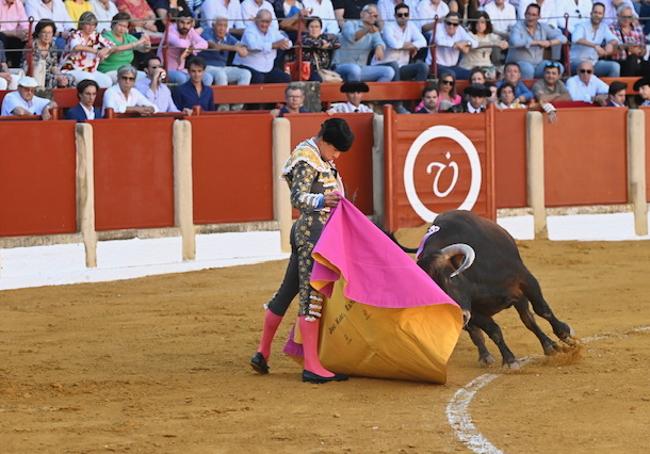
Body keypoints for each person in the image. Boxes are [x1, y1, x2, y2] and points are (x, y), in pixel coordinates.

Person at [250, 117, 354, 384]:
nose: (337, 156)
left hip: (314, 234)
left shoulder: (321, 157)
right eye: (336, 150)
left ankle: (262, 352)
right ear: (325, 141)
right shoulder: (307, 157)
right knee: (312, 296)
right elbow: (297, 198)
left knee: (287, 292)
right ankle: (311, 366)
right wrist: (322, 199)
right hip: (312, 235)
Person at [332, 4, 394, 82]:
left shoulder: (374, 31)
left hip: (361, 68)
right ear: (361, 14)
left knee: (389, 72)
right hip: (340, 66)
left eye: (375, 15)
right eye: (369, 12)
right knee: (355, 69)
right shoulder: (350, 24)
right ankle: (353, 92)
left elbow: (380, 42)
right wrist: (367, 29)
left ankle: (372, 94)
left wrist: (379, 47)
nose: (372, 16)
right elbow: (352, 38)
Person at [507, 3, 567, 79]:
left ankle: (547, 89)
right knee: (528, 69)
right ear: (525, 15)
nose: (530, 17)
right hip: (518, 63)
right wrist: (537, 42)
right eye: (528, 14)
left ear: (539, 17)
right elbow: (515, 42)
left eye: (534, 15)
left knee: (558, 67)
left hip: (538, 65)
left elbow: (563, 38)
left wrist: (549, 43)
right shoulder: (517, 26)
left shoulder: (543, 27)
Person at [232, 9, 292, 84]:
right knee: (259, 78)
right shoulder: (249, 30)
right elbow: (253, 46)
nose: (264, 24)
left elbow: (289, 43)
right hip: (247, 66)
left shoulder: (272, 30)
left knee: (285, 78)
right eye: (262, 21)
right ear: (256, 20)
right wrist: (274, 45)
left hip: (267, 68)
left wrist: (285, 43)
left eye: (267, 22)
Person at [376, 2, 428, 82]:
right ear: (395, 16)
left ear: (409, 15)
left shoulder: (411, 25)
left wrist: (412, 45)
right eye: (400, 15)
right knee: (394, 65)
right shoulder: (388, 27)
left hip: (402, 66)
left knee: (423, 67)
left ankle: (418, 93)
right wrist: (410, 46)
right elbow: (394, 45)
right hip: (385, 64)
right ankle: (397, 93)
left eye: (406, 14)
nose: (403, 17)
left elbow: (423, 42)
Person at [60, 12, 114, 88]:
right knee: (89, 80)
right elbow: (77, 47)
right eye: (88, 24)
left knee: (107, 81)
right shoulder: (75, 34)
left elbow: (112, 46)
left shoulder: (96, 35)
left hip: (90, 69)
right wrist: (97, 51)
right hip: (72, 68)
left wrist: (105, 50)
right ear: (82, 24)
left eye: (93, 25)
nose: (91, 27)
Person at [158, 10, 212, 85]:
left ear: (191, 24)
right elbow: (180, 44)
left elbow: (204, 44)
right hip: (165, 70)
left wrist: (192, 48)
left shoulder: (190, 31)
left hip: (181, 70)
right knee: (182, 78)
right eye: (182, 22)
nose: (185, 26)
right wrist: (192, 46)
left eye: (188, 23)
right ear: (177, 21)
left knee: (207, 77)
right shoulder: (170, 30)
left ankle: (200, 96)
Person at [200, 17, 252, 90]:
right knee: (221, 75)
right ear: (213, 25)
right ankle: (223, 101)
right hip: (207, 67)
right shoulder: (207, 32)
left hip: (222, 67)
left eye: (225, 26)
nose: (222, 28)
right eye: (220, 25)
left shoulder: (227, 36)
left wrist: (244, 49)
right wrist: (236, 48)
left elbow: (240, 45)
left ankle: (239, 101)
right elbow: (215, 46)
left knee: (245, 73)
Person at [97, 12, 151, 83]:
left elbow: (143, 49)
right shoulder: (106, 36)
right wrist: (138, 42)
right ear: (113, 24)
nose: (122, 29)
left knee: (148, 78)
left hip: (127, 70)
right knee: (128, 80)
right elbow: (116, 49)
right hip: (109, 71)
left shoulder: (127, 37)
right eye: (120, 25)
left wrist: (147, 44)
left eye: (125, 26)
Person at [570, 2, 620, 77]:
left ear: (603, 16)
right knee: (586, 67)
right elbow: (575, 39)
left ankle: (612, 89)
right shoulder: (581, 25)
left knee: (615, 66)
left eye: (600, 13)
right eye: (595, 12)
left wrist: (610, 44)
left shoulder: (604, 27)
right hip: (576, 62)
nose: (597, 15)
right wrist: (595, 46)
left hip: (594, 63)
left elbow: (615, 39)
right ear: (591, 13)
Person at [428, 12, 477, 80]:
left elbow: (475, 43)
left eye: (455, 24)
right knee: (451, 75)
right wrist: (455, 44)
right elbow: (439, 41)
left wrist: (466, 43)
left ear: (458, 24)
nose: (451, 26)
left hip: (452, 67)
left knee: (472, 75)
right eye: (449, 23)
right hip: (436, 66)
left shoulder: (459, 29)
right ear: (445, 22)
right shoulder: (439, 27)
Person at [459, 11, 508, 80]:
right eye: (477, 22)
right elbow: (476, 44)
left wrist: (504, 42)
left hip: (487, 66)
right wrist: (494, 44)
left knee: (503, 71)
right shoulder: (469, 35)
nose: (480, 25)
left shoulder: (490, 36)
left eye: (482, 22)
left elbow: (504, 38)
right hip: (470, 66)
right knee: (486, 75)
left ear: (487, 23)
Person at [23, 19, 71, 89]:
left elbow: (53, 66)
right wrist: (56, 78)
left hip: (49, 73)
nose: (47, 35)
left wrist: (59, 75)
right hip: (35, 74)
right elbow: (29, 67)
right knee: (53, 80)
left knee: (69, 79)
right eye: (44, 32)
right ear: (38, 33)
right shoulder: (31, 46)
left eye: (49, 33)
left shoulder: (52, 45)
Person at [609, 5, 647, 77]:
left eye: (629, 17)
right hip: (620, 61)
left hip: (637, 60)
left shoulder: (638, 29)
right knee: (632, 60)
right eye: (624, 17)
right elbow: (609, 51)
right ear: (618, 16)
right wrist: (626, 46)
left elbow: (644, 50)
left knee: (647, 65)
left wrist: (640, 51)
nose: (626, 20)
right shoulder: (611, 29)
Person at [0, 0, 29, 68]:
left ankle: (17, 68)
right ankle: (3, 67)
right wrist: (14, 33)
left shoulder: (18, 3)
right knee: (2, 38)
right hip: (2, 35)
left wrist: (25, 32)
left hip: (14, 35)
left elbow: (25, 24)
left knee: (25, 39)